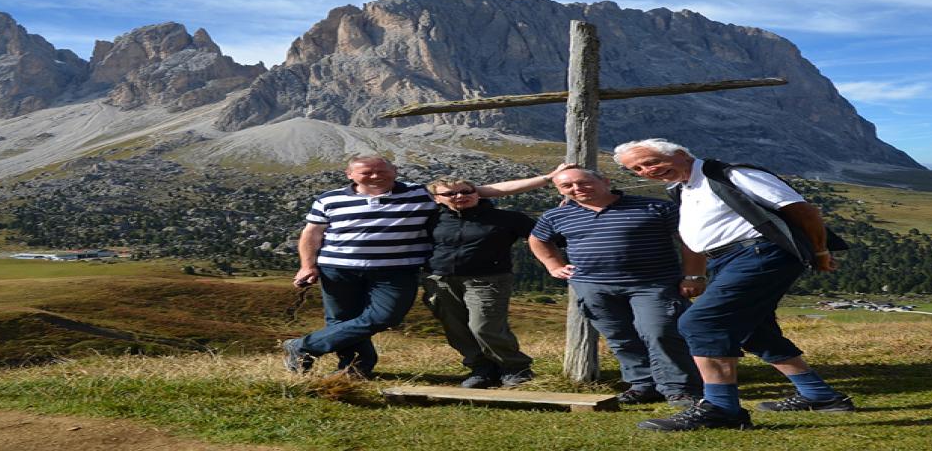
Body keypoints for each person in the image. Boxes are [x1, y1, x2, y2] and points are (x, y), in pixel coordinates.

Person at [613, 139, 853, 432]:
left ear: (680, 154)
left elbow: (804, 211)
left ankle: (722, 409)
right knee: (754, 329)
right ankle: (821, 396)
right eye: (636, 169)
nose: (646, 171)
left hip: (759, 252)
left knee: (702, 323)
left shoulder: (729, 174)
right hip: (728, 259)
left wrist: (819, 252)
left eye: (650, 162)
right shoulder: (682, 188)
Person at [282, 155, 557, 378]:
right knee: (342, 321)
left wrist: (547, 179)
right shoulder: (329, 199)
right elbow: (312, 234)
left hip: (396, 270)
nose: (376, 176)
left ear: (394, 171)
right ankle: (354, 369)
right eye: (367, 172)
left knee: (384, 317)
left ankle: (303, 347)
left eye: (382, 170)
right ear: (350, 174)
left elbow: (492, 190)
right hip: (338, 269)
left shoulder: (421, 194)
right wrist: (307, 266)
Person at [528, 166, 702, 408]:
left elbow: (690, 240)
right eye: (567, 186)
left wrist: (693, 276)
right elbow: (537, 239)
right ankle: (642, 384)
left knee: (660, 333)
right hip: (593, 286)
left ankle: (680, 389)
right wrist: (553, 265)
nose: (577, 189)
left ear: (605, 181)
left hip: (654, 284)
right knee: (620, 336)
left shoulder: (656, 207)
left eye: (583, 182)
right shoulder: (556, 216)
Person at [422, 178, 537, 389]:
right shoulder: (431, 219)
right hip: (439, 280)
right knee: (456, 328)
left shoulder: (507, 218)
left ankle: (515, 368)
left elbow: (548, 237)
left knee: (484, 326)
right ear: (436, 199)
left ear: (478, 193)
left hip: (488, 280)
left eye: (466, 191)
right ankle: (481, 368)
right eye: (450, 194)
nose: (460, 196)